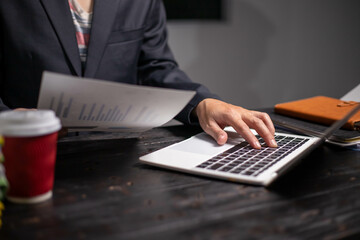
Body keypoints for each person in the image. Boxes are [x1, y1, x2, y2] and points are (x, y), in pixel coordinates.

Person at [0, 0, 277, 149]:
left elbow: (157, 67)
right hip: (25, 155)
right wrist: (8, 121)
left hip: (116, 158)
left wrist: (203, 103)